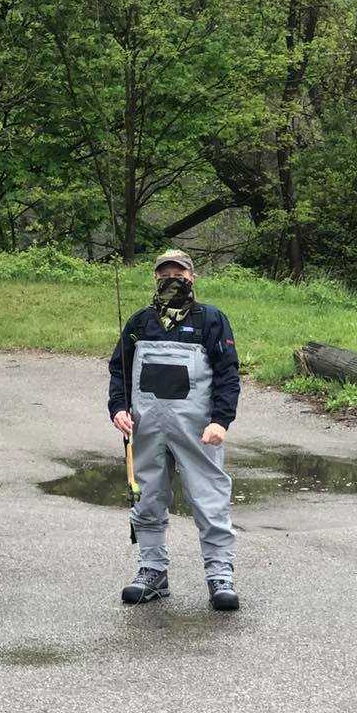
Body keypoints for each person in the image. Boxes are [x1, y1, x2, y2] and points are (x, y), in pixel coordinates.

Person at [108, 249, 241, 611]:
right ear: (156, 278)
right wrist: (118, 408)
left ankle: (220, 575)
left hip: (198, 430)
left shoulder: (211, 321)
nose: (171, 278)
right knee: (147, 500)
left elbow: (229, 375)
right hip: (147, 430)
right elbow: (118, 370)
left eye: (178, 271)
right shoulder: (139, 323)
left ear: (192, 276)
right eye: (164, 273)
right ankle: (152, 571)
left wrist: (221, 420)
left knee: (209, 500)